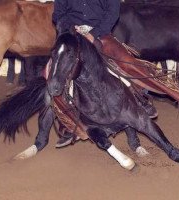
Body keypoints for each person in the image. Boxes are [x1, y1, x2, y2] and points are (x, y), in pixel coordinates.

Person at [52, 0, 158, 148]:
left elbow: (112, 12)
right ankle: (69, 123)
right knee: (50, 73)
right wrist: (72, 28)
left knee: (125, 62)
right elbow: (58, 14)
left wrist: (93, 33)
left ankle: (140, 98)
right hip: (72, 35)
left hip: (100, 33)